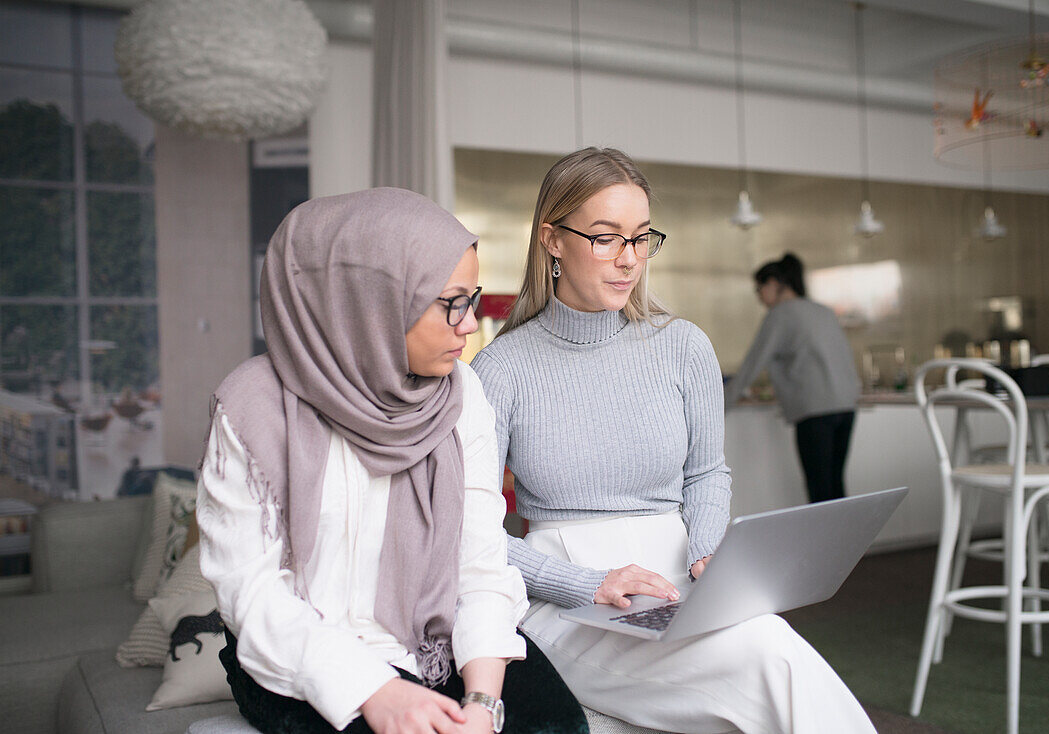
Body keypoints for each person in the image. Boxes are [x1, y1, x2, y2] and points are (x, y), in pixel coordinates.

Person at [470, 148, 876, 734]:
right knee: (773, 665)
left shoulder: (683, 346)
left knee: (771, 647)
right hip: (564, 601)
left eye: (640, 238)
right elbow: (470, 531)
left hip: (678, 584)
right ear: (552, 239)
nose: (628, 259)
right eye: (606, 237)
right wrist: (587, 583)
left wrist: (710, 555)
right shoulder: (501, 369)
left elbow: (707, 474)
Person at [196, 188, 588, 734]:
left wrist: (482, 704)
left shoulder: (461, 394)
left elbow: (480, 564)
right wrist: (375, 691)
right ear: (368, 303)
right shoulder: (251, 409)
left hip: (432, 641)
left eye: (471, 299)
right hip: (302, 661)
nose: (470, 325)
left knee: (560, 727)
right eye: (451, 302)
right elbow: (251, 594)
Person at [727, 253, 861, 504]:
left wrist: (720, 404)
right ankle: (844, 543)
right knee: (835, 485)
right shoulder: (823, 311)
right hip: (846, 406)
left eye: (760, 288)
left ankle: (824, 544)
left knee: (819, 489)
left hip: (815, 411)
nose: (759, 296)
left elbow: (752, 366)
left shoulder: (780, 315)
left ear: (776, 283)